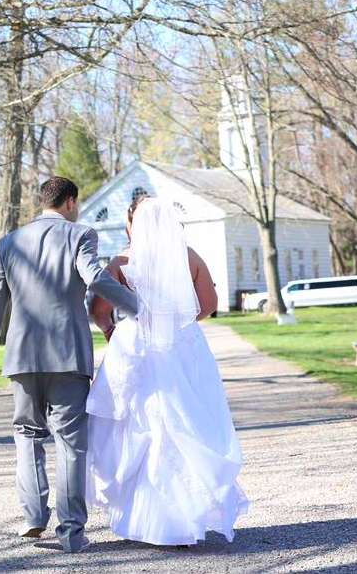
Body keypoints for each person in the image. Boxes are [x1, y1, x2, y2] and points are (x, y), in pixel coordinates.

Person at [0, 176, 139, 553]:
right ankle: (70, 532)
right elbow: (93, 276)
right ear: (70, 203)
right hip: (68, 355)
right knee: (70, 442)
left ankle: (33, 516)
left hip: (22, 356)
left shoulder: (8, 243)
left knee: (27, 433)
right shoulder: (80, 234)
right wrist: (137, 307)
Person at [86, 194, 249, 546]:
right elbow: (208, 305)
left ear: (133, 224)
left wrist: (112, 329)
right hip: (183, 347)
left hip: (136, 345)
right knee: (185, 422)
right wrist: (176, 324)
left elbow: (98, 310)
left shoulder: (122, 261)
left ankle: (140, 520)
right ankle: (182, 519)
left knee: (139, 426)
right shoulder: (188, 256)